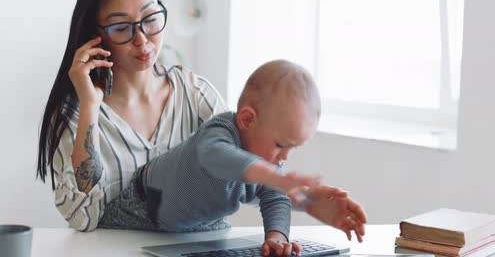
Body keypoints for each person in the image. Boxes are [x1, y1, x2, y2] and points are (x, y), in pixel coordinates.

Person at [35, 0, 366, 256]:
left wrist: (306, 203)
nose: (142, 40)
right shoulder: (78, 115)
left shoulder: (195, 93)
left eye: (151, 19)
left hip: (203, 249)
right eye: (122, 28)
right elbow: (82, 218)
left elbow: (251, 177)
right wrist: (90, 108)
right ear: (97, 36)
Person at [139, 59, 364, 256]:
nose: (284, 156)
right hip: (141, 207)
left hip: (199, 229)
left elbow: (276, 198)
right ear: (247, 120)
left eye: (292, 148)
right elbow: (216, 157)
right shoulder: (219, 132)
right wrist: (275, 178)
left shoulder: (266, 163)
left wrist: (277, 238)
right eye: (280, 144)